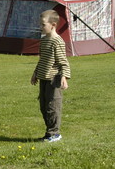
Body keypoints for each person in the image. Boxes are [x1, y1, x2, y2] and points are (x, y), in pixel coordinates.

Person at [30, 9, 71, 142]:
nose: (40, 27)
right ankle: (49, 132)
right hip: (43, 77)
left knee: (53, 106)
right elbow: (42, 59)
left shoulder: (57, 41)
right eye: (40, 24)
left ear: (53, 25)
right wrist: (35, 73)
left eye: (43, 25)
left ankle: (55, 133)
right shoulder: (44, 40)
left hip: (54, 79)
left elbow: (63, 61)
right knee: (44, 105)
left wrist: (64, 77)